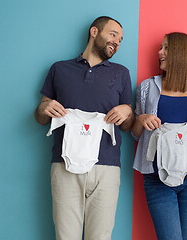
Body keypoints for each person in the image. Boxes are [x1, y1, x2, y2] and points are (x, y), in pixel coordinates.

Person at [35, 16, 134, 240]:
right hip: (64, 165)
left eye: (120, 40)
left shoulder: (121, 73)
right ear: (94, 32)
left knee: (100, 237)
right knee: (65, 236)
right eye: (112, 34)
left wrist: (128, 112)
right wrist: (45, 107)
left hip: (107, 167)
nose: (117, 42)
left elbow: (129, 125)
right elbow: (40, 116)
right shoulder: (59, 69)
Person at [132, 32, 187, 240]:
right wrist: (141, 120)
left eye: (166, 48)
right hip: (157, 180)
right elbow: (135, 135)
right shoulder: (148, 87)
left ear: (181, 53)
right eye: (161, 47)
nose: (160, 52)